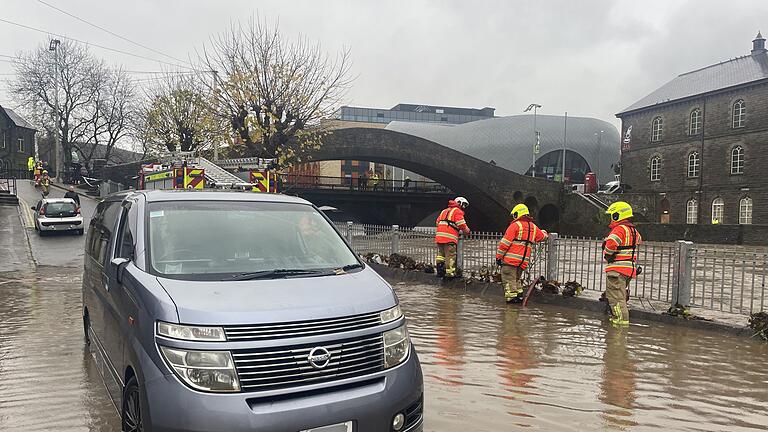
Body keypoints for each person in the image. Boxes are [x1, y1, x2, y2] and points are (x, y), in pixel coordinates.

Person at [496, 204, 548, 303]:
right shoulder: (533, 227)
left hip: (510, 261)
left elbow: (504, 244)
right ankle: (519, 297)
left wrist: (498, 257)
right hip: (522, 262)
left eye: (514, 215)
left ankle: (511, 305)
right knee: (516, 279)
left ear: (517, 213)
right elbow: (542, 237)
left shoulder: (515, 225)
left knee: (508, 280)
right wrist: (545, 232)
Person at [602, 201, 642, 326]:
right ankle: (619, 321)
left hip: (617, 270)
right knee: (621, 296)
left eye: (612, 215)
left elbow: (611, 244)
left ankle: (619, 325)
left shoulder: (619, 229)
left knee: (616, 300)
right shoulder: (634, 230)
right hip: (629, 269)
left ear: (617, 215)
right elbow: (639, 241)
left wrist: (607, 254)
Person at [435, 197, 470, 278]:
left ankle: (440, 271)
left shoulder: (444, 211)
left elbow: (437, 222)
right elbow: (461, 224)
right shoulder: (457, 211)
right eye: (463, 205)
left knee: (441, 255)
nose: (463, 207)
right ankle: (450, 274)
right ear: (459, 203)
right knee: (450, 256)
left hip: (439, 237)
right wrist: (467, 231)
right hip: (449, 238)